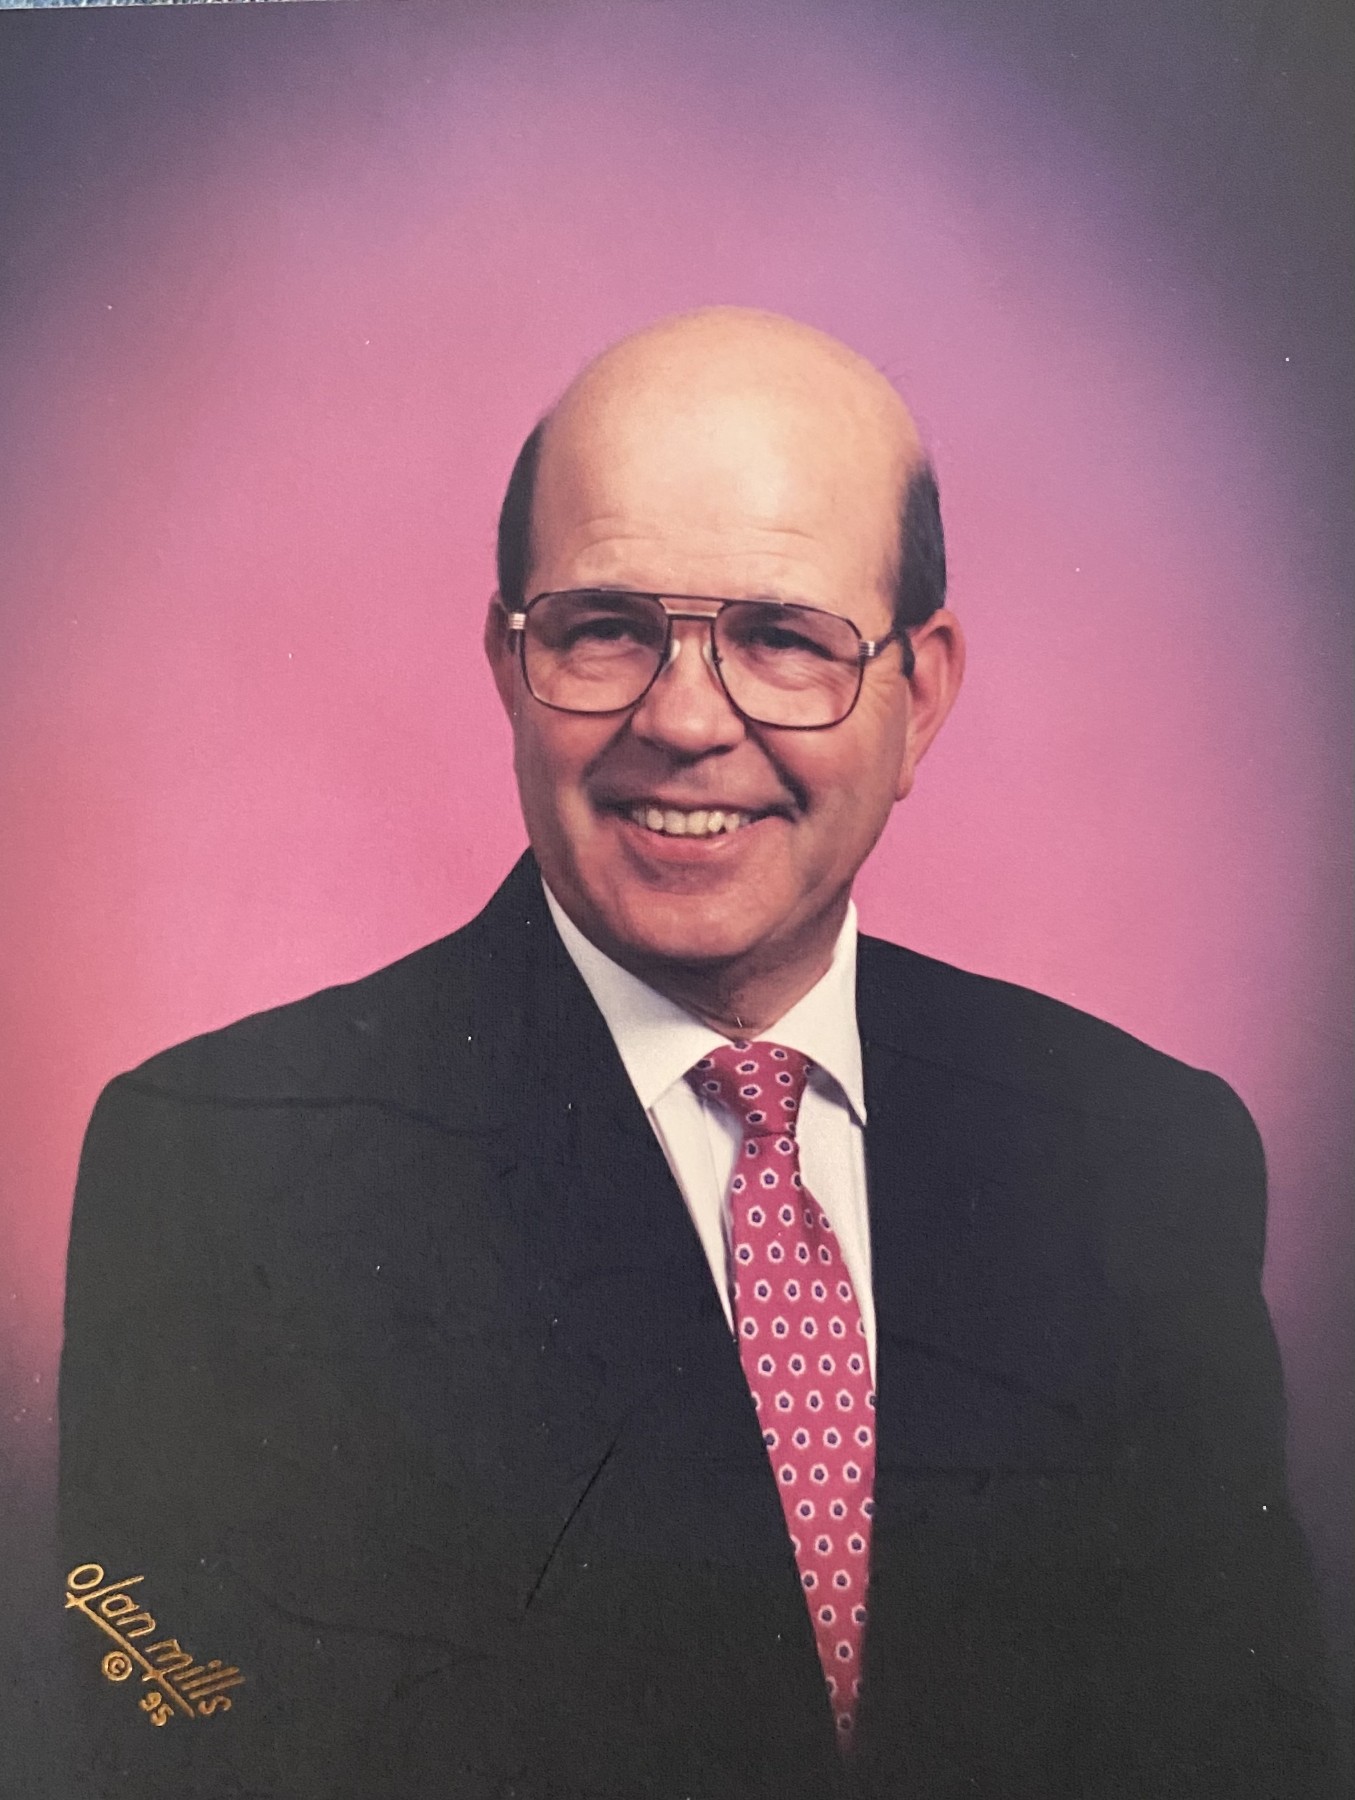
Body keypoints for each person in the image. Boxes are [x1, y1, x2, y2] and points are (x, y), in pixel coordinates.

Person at [59, 308, 1335, 1798]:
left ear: (921, 696)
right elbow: (186, 1740)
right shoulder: (225, 1177)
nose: (681, 721)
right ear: (509, 664)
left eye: (782, 638)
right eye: (605, 628)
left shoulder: (1142, 1153)